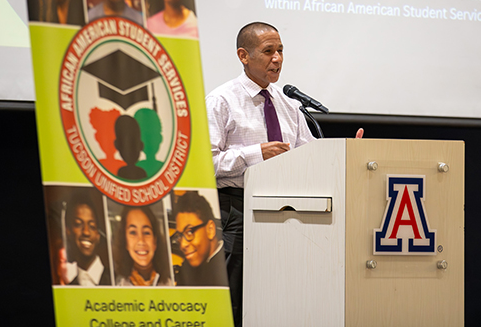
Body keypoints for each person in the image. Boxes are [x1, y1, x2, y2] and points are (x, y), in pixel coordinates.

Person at [205, 22, 363, 326]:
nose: (277, 58)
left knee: (276, 294)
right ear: (244, 55)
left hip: (286, 214)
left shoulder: (289, 105)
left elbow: (310, 157)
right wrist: (257, 153)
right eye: (268, 51)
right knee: (236, 299)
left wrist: (346, 156)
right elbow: (204, 165)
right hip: (234, 210)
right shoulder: (221, 101)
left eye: (280, 51)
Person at [173, 191, 228, 287]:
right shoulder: (187, 268)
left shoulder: (229, 264)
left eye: (189, 232)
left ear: (210, 229)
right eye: (180, 235)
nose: (182, 245)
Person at [114, 206, 172, 286]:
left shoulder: (171, 284)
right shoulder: (117, 286)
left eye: (146, 233)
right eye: (133, 233)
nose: (141, 241)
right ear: (125, 242)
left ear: (155, 241)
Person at [65, 195, 110, 286]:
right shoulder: (67, 287)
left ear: (98, 235)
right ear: (68, 231)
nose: (86, 232)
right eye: (78, 224)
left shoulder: (115, 281)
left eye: (92, 226)